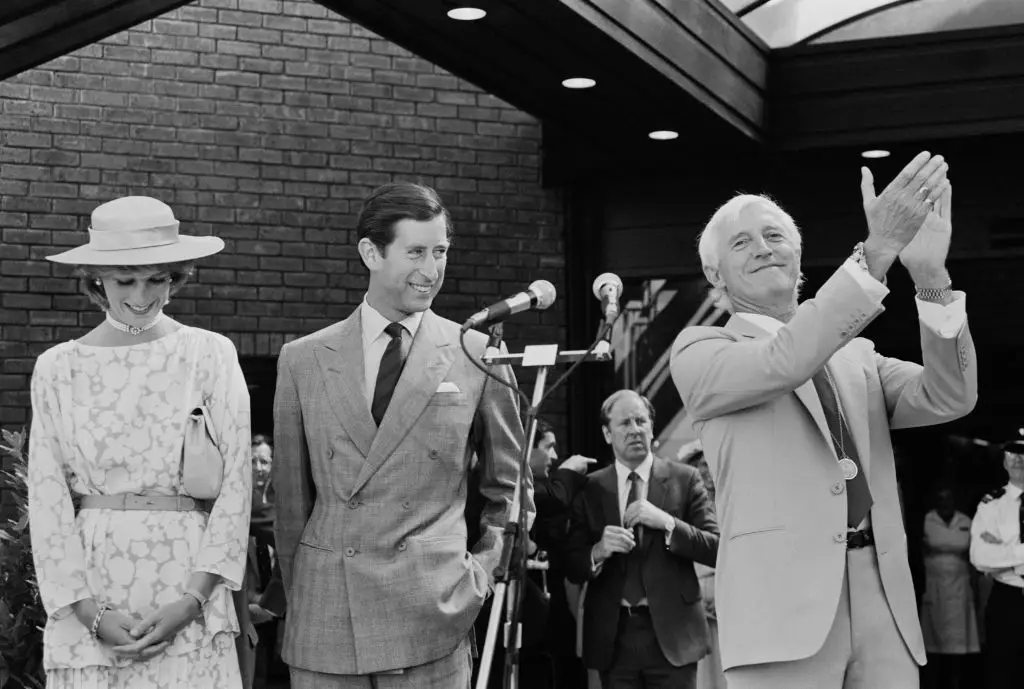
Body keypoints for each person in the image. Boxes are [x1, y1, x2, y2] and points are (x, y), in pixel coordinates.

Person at [670, 151, 976, 689]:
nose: (763, 248)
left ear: (799, 254)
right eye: (741, 243)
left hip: (883, 608)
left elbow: (949, 395)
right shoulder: (701, 350)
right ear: (714, 273)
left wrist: (930, 278)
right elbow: (784, 361)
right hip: (781, 617)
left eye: (774, 235)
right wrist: (875, 253)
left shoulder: (858, 357)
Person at [273, 181, 528, 689]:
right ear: (371, 252)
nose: (431, 270)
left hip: (433, 617)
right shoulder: (302, 359)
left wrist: (479, 575)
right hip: (326, 620)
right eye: (416, 252)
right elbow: (290, 504)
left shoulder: (477, 353)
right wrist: (300, 593)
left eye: (440, 253)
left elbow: (511, 490)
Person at [28, 196, 252, 687]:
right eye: (124, 280)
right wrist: (89, 612)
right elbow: (46, 496)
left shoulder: (210, 354)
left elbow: (237, 484)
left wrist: (192, 601)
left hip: (190, 579)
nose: (142, 295)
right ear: (95, 281)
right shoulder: (57, 367)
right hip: (92, 580)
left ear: (176, 277)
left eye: (157, 278)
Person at [564, 390, 720, 689]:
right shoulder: (591, 488)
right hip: (614, 635)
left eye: (641, 421)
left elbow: (715, 548)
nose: (635, 429)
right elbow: (571, 564)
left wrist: (668, 523)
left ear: (652, 427)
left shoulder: (684, 479)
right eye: (624, 423)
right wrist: (597, 551)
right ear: (607, 434)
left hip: (675, 634)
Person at [968, 440, 1024, 689]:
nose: (1017, 458)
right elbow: (980, 558)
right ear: (1003, 460)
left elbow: (993, 557)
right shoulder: (991, 504)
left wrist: (1003, 550)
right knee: (1002, 675)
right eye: (1011, 452)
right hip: (1008, 600)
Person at [919, 485, 978, 689]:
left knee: (958, 644)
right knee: (932, 642)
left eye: (949, 498)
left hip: (960, 588)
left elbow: (975, 551)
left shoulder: (965, 521)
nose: (945, 502)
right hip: (933, 586)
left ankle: (956, 684)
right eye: (941, 498)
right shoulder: (926, 520)